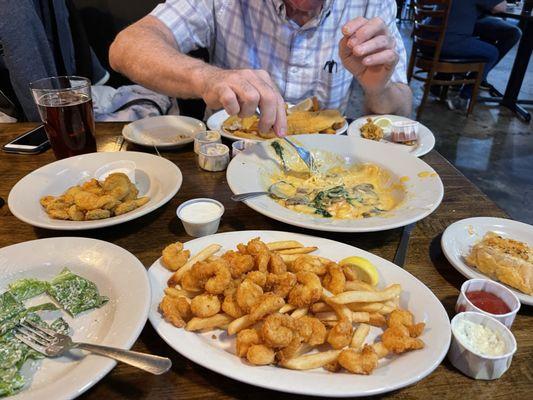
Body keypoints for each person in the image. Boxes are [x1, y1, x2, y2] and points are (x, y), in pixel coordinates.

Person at [109, 0, 412, 137]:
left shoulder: (374, 3)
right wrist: (209, 77)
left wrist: (379, 86)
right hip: (227, 158)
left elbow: (401, 113)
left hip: (323, 164)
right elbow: (126, 47)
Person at [435, 0, 521, 107]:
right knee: (492, 53)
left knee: (499, 33)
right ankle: (464, 96)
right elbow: (500, 7)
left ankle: (442, 80)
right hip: (448, 42)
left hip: (428, 38)